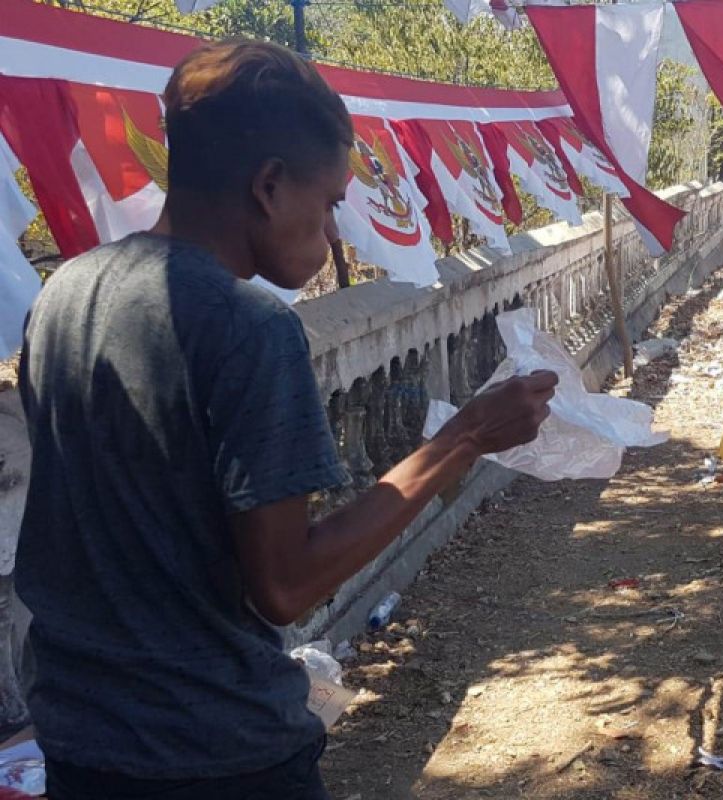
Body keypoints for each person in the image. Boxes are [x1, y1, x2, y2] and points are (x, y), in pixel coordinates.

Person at [15, 40, 557, 799]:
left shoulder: (66, 292)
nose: (335, 233)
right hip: (212, 752)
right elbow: (283, 583)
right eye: (332, 202)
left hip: (80, 739)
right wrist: (463, 438)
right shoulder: (248, 327)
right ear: (269, 185)